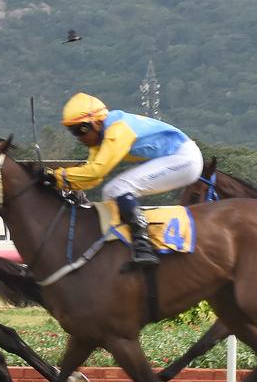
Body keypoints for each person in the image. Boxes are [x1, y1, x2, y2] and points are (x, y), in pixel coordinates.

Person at [49, 92, 202, 268]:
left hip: (185, 159)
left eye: (80, 130)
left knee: (119, 188)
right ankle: (125, 245)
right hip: (178, 157)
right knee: (110, 192)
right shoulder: (100, 138)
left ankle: (143, 246)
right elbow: (92, 179)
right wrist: (58, 181)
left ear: (97, 123)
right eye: (73, 131)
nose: (79, 137)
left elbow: (97, 170)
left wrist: (57, 176)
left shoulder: (117, 129)